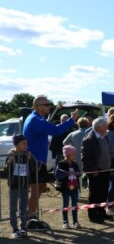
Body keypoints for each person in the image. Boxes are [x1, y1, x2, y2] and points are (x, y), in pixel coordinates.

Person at [23, 95, 80, 230]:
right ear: (38, 106)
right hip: (35, 162)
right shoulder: (36, 120)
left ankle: (30, 214)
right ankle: (30, 218)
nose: (49, 106)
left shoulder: (37, 118)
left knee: (40, 187)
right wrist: (72, 120)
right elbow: (56, 131)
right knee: (36, 189)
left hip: (38, 161)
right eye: (47, 104)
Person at [82, 117, 111, 224]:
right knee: (94, 194)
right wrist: (93, 169)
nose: (107, 128)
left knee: (103, 193)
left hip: (105, 170)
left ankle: (101, 212)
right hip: (95, 172)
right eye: (105, 126)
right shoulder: (89, 139)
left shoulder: (105, 136)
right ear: (99, 128)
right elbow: (85, 157)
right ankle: (93, 215)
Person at [7, 135, 34, 238]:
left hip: (24, 185)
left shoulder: (25, 154)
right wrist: (10, 159)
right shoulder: (11, 153)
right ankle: (14, 228)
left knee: (23, 206)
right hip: (14, 185)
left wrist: (30, 158)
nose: (26, 145)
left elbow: (31, 169)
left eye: (26, 143)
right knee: (13, 207)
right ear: (17, 144)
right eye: (24, 143)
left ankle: (23, 227)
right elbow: (7, 168)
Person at [54, 145, 81, 229]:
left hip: (75, 188)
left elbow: (79, 172)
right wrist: (66, 174)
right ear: (67, 154)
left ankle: (75, 221)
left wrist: (78, 173)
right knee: (65, 204)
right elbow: (57, 175)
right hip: (65, 188)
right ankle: (65, 221)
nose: (74, 156)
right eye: (73, 154)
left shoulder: (75, 164)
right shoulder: (61, 164)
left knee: (74, 204)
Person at [63, 117, 91, 187]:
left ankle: (78, 190)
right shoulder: (90, 133)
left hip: (75, 156)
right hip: (87, 156)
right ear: (87, 124)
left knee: (77, 174)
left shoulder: (73, 133)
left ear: (78, 124)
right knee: (89, 173)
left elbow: (64, 142)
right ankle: (89, 187)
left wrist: (71, 146)